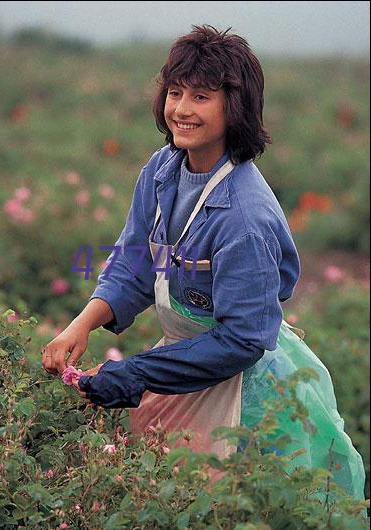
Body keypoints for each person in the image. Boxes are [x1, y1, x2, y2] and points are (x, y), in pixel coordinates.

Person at [42, 25, 365, 499]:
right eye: (175, 92)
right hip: (184, 356)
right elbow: (135, 260)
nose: (182, 109)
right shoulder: (162, 169)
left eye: (201, 96)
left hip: (244, 385)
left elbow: (239, 340)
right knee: (159, 495)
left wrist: (137, 373)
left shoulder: (244, 216)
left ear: (234, 107)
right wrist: (82, 324)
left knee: (235, 507)